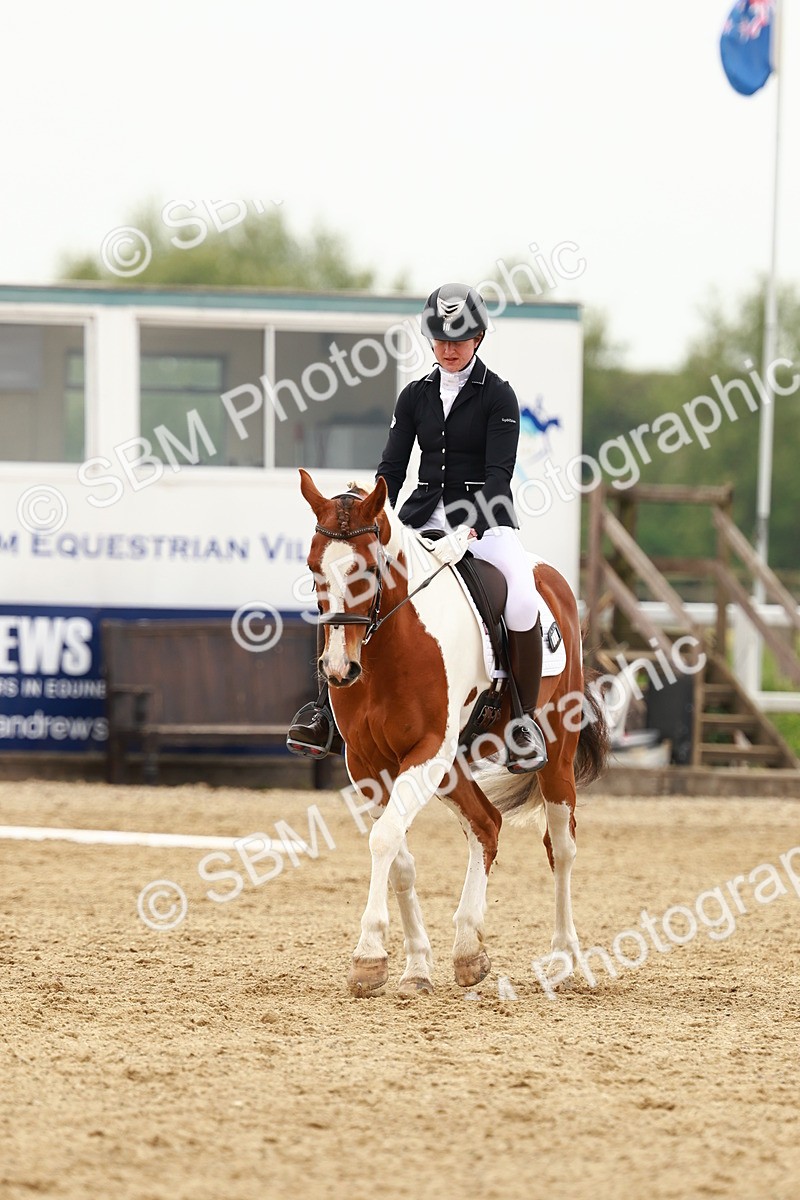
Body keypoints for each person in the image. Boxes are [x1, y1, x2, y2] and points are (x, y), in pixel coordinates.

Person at [287, 282, 548, 773]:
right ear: (431, 341)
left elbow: (499, 477)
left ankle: (524, 721)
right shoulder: (414, 396)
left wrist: (467, 530)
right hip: (420, 515)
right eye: (442, 339)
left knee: (521, 596)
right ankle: (323, 711)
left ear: (478, 339)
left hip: (486, 520)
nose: (450, 348)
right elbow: (393, 469)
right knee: (347, 583)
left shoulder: (499, 396)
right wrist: (367, 509)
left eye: (460, 339)